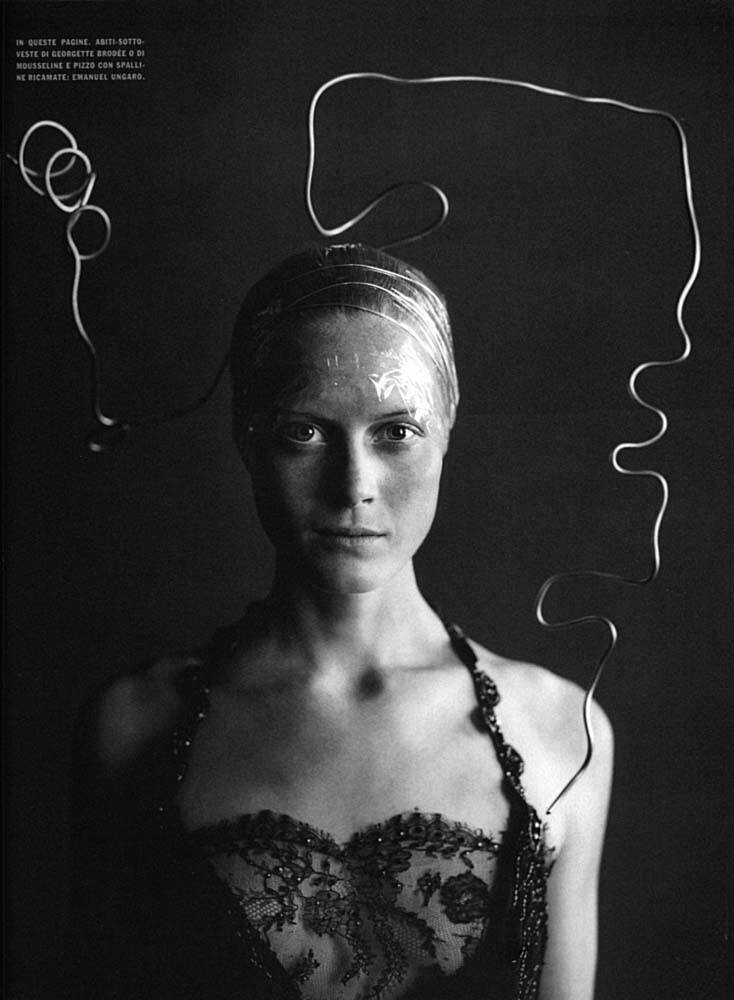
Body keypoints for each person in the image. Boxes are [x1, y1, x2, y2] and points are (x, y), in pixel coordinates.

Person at [64, 243, 613, 1000]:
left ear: (447, 430)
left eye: (396, 432)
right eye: (305, 432)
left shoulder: (562, 732)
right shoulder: (132, 728)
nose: (354, 485)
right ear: (247, 436)